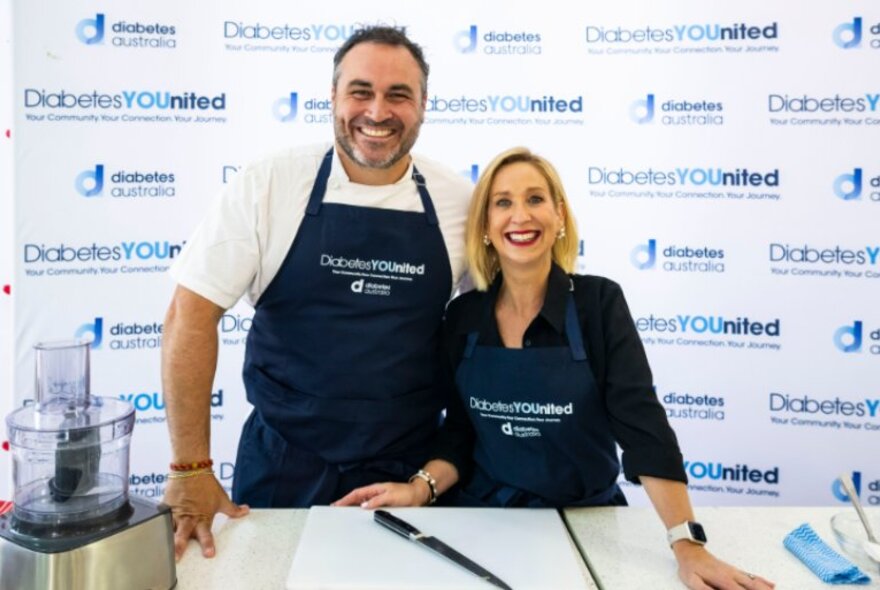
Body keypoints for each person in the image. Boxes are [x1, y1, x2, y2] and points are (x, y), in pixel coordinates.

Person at [335, 147, 774, 590]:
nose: (520, 215)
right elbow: (460, 433)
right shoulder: (463, 316)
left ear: (559, 215)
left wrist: (687, 543)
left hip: (586, 522)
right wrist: (420, 488)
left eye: (535, 199)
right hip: (483, 521)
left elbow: (642, 426)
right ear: (485, 226)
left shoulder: (599, 304)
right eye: (502, 202)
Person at [161, 26, 471, 560]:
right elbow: (189, 319)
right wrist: (191, 469)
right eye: (360, 91)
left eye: (399, 95)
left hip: (409, 474)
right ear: (332, 97)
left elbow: (497, 337)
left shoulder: (458, 202)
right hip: (285, 466)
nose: (377, 111)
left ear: (423, 106)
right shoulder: (268, 185)